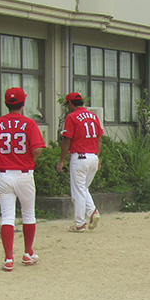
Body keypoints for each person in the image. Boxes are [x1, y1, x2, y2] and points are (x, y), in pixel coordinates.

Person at [0, 88, 46, 272]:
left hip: (4, 174)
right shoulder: (29, 123)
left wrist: (0, 152)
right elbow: (37, 150)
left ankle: (8, 258)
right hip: (24, 174)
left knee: (7, 216)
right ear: (23, 103)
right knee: (28, 214)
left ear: (6, 103)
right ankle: (27, 253)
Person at [57, 92, 103, 232]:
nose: (67, 107)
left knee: (78, 191)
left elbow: (67, 140)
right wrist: (97, 156)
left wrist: (62, 161)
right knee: (83, 188)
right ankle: (92, 212)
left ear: (71, 103)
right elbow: (99, 138)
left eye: (68, 104)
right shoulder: (93, 116)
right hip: (93, 157)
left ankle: (79, 223)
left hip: (80, 158)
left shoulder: (71, 117)